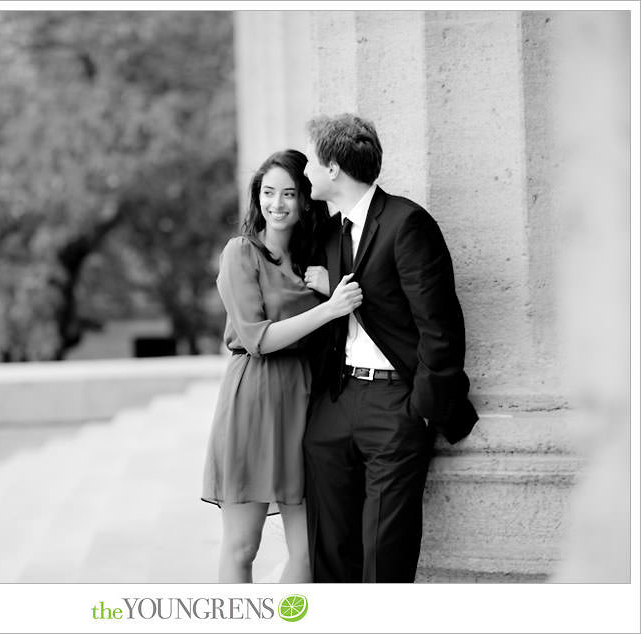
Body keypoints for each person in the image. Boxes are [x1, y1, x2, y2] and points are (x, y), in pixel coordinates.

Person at [301, 113, 478, 583]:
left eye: (313, 167)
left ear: (334, 168)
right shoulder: (332, 231)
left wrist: (419, 409)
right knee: (331, 550)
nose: (307, 177)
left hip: (395, 406)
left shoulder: (407, 223)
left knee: (385, 554)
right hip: (336, 403)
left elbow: (440, 326)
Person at [201, 149, 363, 583]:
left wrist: (329, 289)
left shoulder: (316, 260)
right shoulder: (240, 254)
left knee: (309, 554)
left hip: (305, 405)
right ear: (257, 199)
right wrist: (329, 309)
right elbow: (257, 338)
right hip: (253, 400)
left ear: (304, 201)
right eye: (269, 193)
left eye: (289, 194)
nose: (278, 203)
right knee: (242, 546)